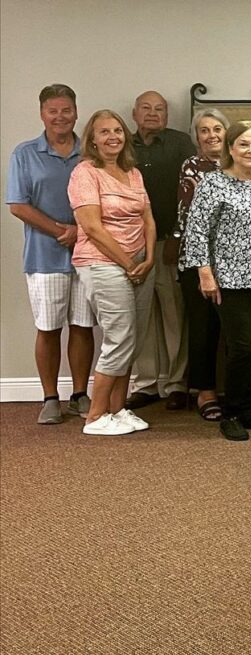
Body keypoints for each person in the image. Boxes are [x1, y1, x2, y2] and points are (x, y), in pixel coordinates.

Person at [182, 121, 251, 442]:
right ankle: (233, 412)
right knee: (241, 346)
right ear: (231, 149)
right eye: (244, 144)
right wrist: (205, 272)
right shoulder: (213, 183)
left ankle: (248, 408)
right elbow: (197, 231)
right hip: (229, 279)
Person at [6, 84, 93, 425]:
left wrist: (81, 233)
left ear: (76, 112)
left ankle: (80, 394)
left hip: (88, 254)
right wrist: (62, 231)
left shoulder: (92, 152)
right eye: (53, 110)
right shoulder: (24, 154)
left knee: (83, 325)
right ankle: (50, 398)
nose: (60, 116)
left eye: (66, 110)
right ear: (42, 114)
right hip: (44, 257)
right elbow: (17, 205)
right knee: (48, 328)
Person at [68, 109, 156, 436]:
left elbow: (148, 217)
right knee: (119, 338)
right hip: (102, 263)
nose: (113, 137)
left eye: (117, 130)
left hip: (139, 263)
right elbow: (91, 226)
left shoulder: (132, 173)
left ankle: (118, 409)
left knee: (132, 339)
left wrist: (147, 257)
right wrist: (128, 262)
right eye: (104, 132)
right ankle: (95, 416)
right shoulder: (84, 173)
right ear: (92, 138)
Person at [126, 91, 195, 411]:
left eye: (160, 109)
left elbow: (191, 194)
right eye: (146, 108)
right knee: (142, 315)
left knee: (173, 314)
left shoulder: (181, 143)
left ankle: (177, 382)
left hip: (170, 242)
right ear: (134, 113)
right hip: (131, 245)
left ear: (167, 116)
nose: (153, 114)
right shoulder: (122, 144)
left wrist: (178, 239)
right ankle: (146, 382)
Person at [166, 108, 229, 422]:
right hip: (198, 260)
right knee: (203, 328)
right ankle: (205, 392)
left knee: (234, 329)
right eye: (204, 130)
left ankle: (237, 390)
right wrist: (205, 264)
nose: (212, 135)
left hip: (236, 264)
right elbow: (190, 218)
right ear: (196, 137)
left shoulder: (241, 164)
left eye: (217, 128)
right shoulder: (192, 166)